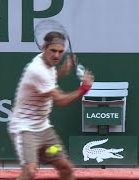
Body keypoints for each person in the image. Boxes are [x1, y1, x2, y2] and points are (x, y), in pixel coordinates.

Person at [8, 31, 94, 180]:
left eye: (60, 52)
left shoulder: (47, 64)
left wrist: (63, 70)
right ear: (43, 48)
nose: (56, 55)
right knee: (30, 171)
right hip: (25, 130)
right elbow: (60, 100)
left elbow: (50, 79)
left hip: (44, 131)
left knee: (65, 168)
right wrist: (84, 89)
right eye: (53, 51)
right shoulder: (37, 70)